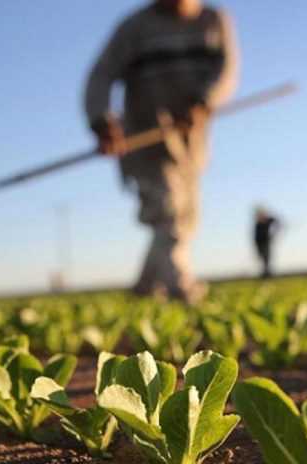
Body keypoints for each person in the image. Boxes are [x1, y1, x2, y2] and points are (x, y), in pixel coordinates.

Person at [85, 0, 239, 304]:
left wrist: (204, 101)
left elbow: (226, 70)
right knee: (169, 213)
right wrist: (101, 120)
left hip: (191, 143)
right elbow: (102, 74)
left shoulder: (215, 21)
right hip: (145, 139)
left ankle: (144, 288)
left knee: (187, 218)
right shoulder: (135, 27)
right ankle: (180, 288)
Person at [254, 206, 280, 278]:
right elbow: (256, 237)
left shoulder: (268, 220)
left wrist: (274, 233)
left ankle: (267, 274)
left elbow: (277, 222)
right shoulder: (257, 224)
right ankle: (265, 273)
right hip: (259, 244)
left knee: (267, 259)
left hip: (266, 243)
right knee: (263, 259)